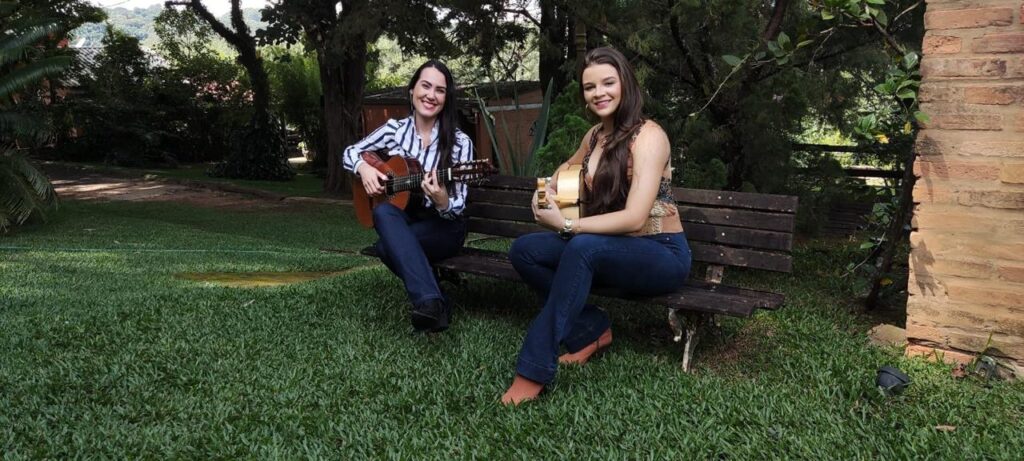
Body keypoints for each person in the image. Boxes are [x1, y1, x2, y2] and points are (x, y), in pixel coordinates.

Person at [501, 47, 692, 404]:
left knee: (582, 246)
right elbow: (561, 170)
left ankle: (532, 370)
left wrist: (568, 224)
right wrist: (545, 191)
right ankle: (591, 329)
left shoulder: (649, 136)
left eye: (608, 82)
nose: (599, 93)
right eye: (590, 87)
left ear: (626, 84)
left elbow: (635, 217)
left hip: (661, 252)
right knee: (525, 250)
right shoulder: (593, 137)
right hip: (612, 250)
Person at [341, 60, 474, 333]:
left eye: (439, 90)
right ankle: (435, 303)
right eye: (425, 86)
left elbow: (458, 206)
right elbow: (349, 152)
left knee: (385, 247)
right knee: (381, 212)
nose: (431, 95)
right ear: (412, 90)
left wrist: (441, 200)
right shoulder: (394, 130)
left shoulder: (460, 142)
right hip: (407, 221)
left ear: (446, 99)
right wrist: (364, 168)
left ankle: (431, 303)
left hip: (445, 226)